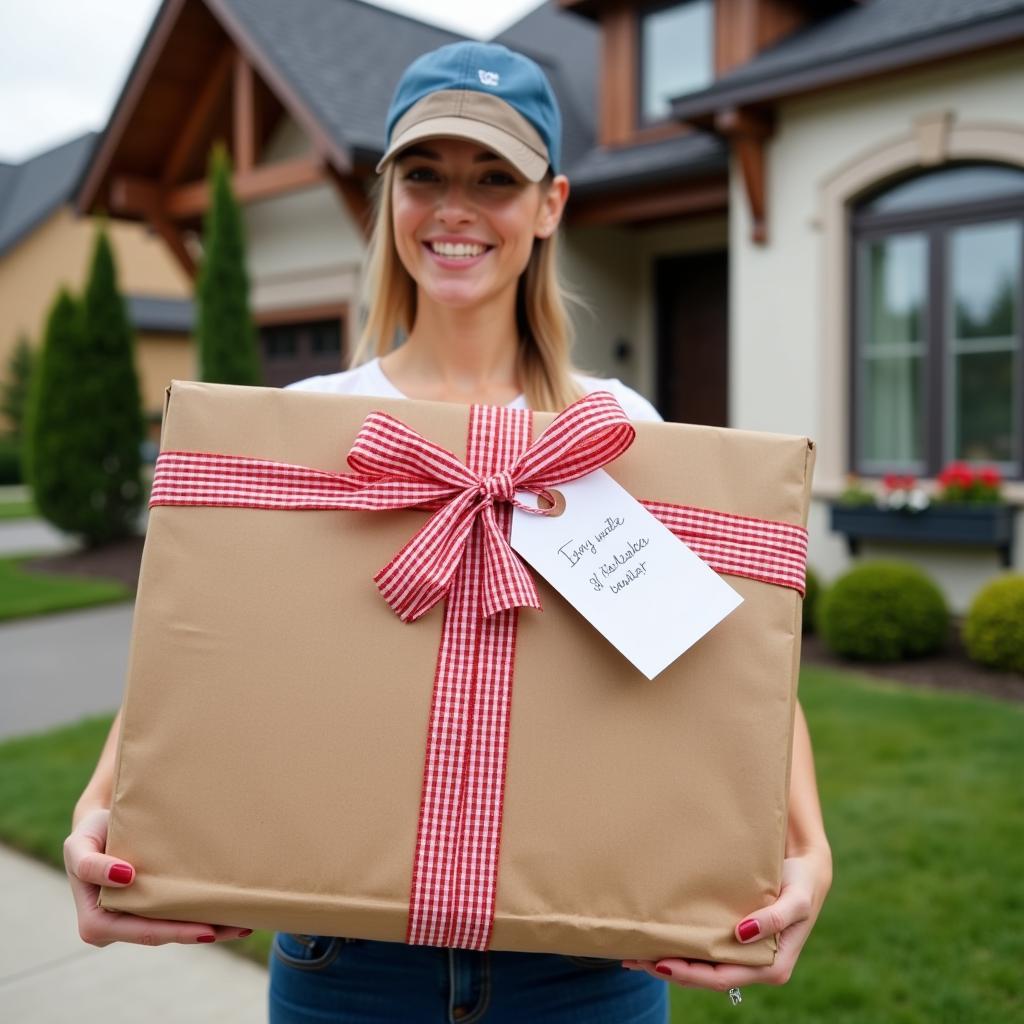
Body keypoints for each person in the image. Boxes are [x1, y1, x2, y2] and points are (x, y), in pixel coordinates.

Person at [64, 41, 832, 1023]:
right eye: (423, 174)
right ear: (386, 197)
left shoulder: (614, 429)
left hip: (589, 964)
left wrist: (808, 848)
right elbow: (197, 644)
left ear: (550, 204)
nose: (454, 208)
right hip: (345, 963)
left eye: (493, 178)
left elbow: (720, 656)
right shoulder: (316, 423)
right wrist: (104, 810)